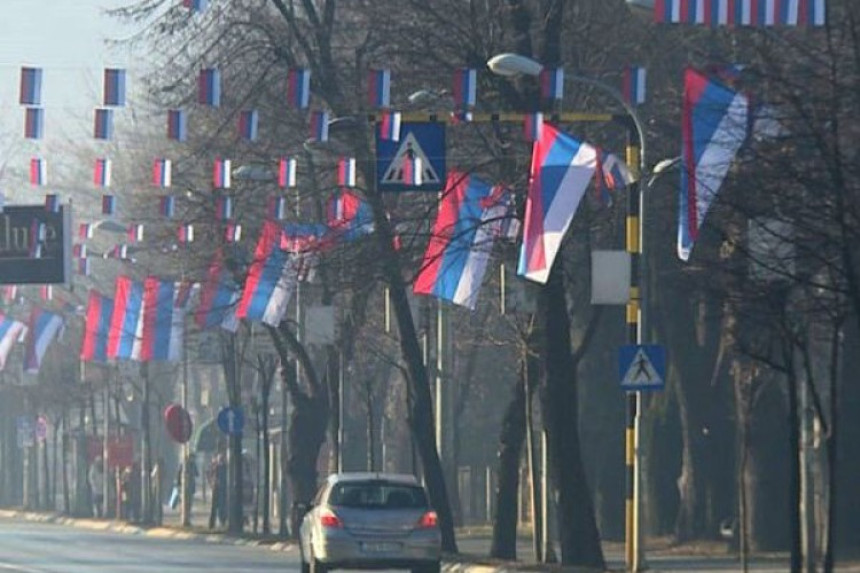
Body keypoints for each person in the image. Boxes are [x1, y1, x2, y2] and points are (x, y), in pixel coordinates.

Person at [207, 453, 227, 529]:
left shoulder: (222, 467)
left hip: (220, 488)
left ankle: (219, 522)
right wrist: (212, 482)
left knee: (220, 506)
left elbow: (209, 474)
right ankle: (214, 523)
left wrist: (211, 482)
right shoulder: (217, 467)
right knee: (217, 507)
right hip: (218, 488)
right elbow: (209, 474)